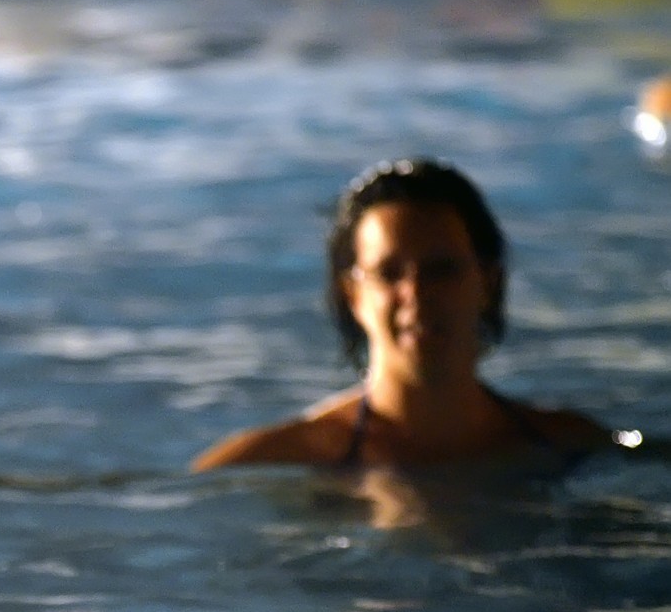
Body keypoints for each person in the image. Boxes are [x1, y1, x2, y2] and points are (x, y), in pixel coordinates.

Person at [191, 158, 617, 474]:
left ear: (488, 283)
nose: (416, 295)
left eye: (441, 270)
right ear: (353, 295)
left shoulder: (572, 444)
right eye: (388, 273)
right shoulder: (274, 461)